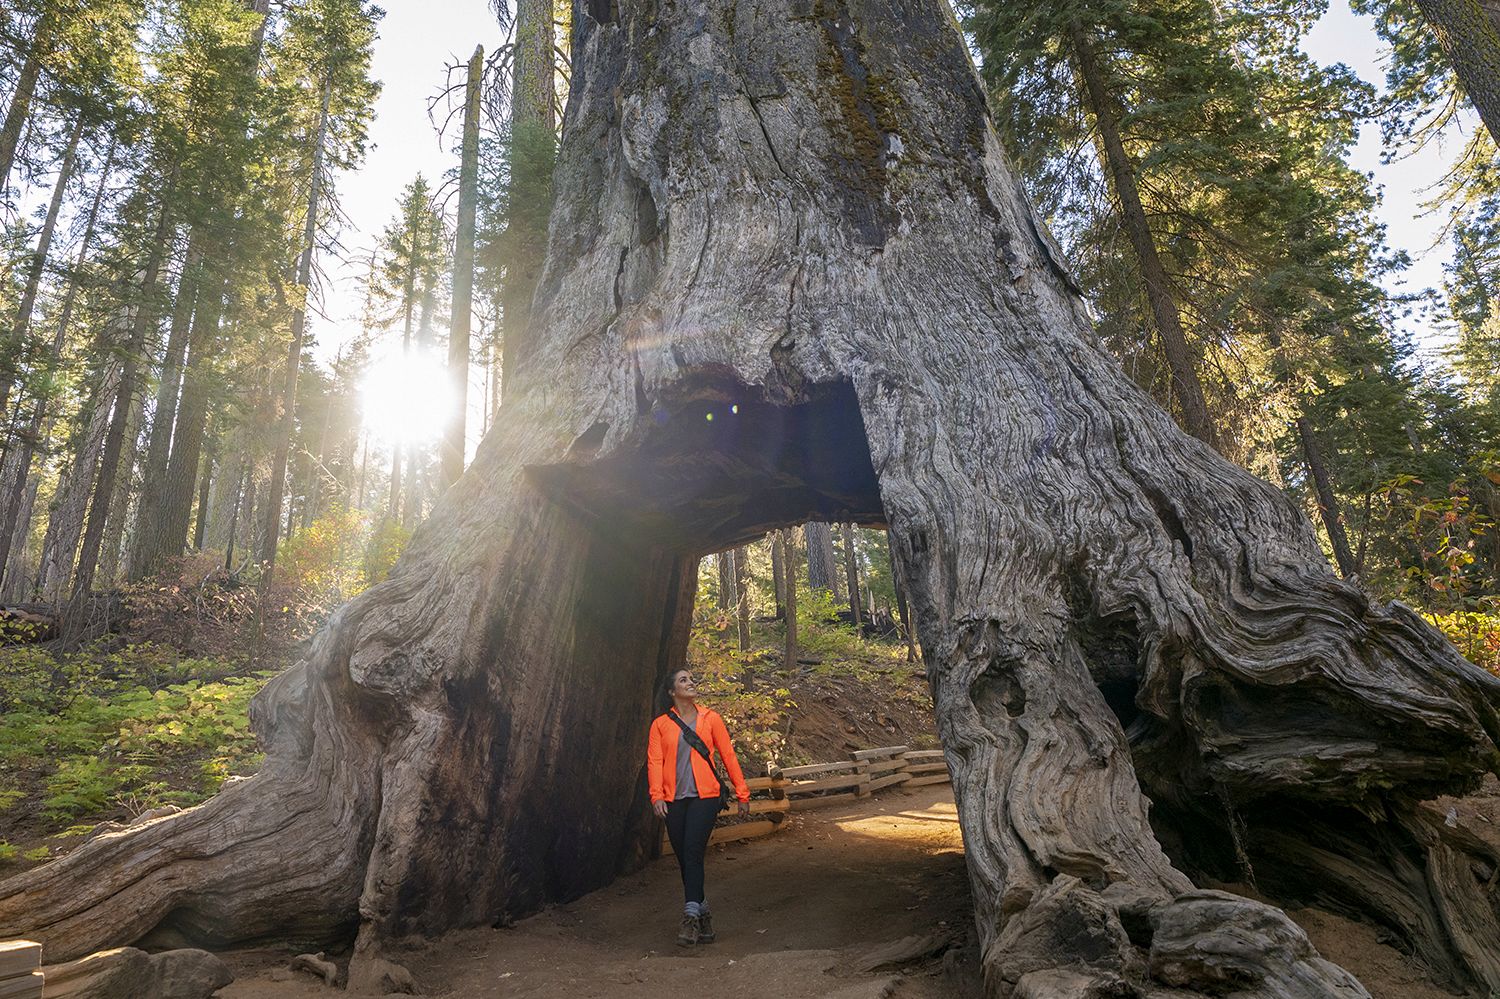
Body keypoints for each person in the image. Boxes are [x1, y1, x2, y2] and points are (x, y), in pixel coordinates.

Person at [647, 667, 751, 946]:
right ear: (672, 692)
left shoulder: (711, 719)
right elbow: (655, 761)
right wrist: (656, 795)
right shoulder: (660, 725)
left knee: (693, 851)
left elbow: (728, 755)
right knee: (685, 858)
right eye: (683, 680)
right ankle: (704, 914)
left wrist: (743, 793)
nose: (691, 683)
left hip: (705, 796)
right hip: (674, 798)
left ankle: (690, 917)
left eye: (691, 679)